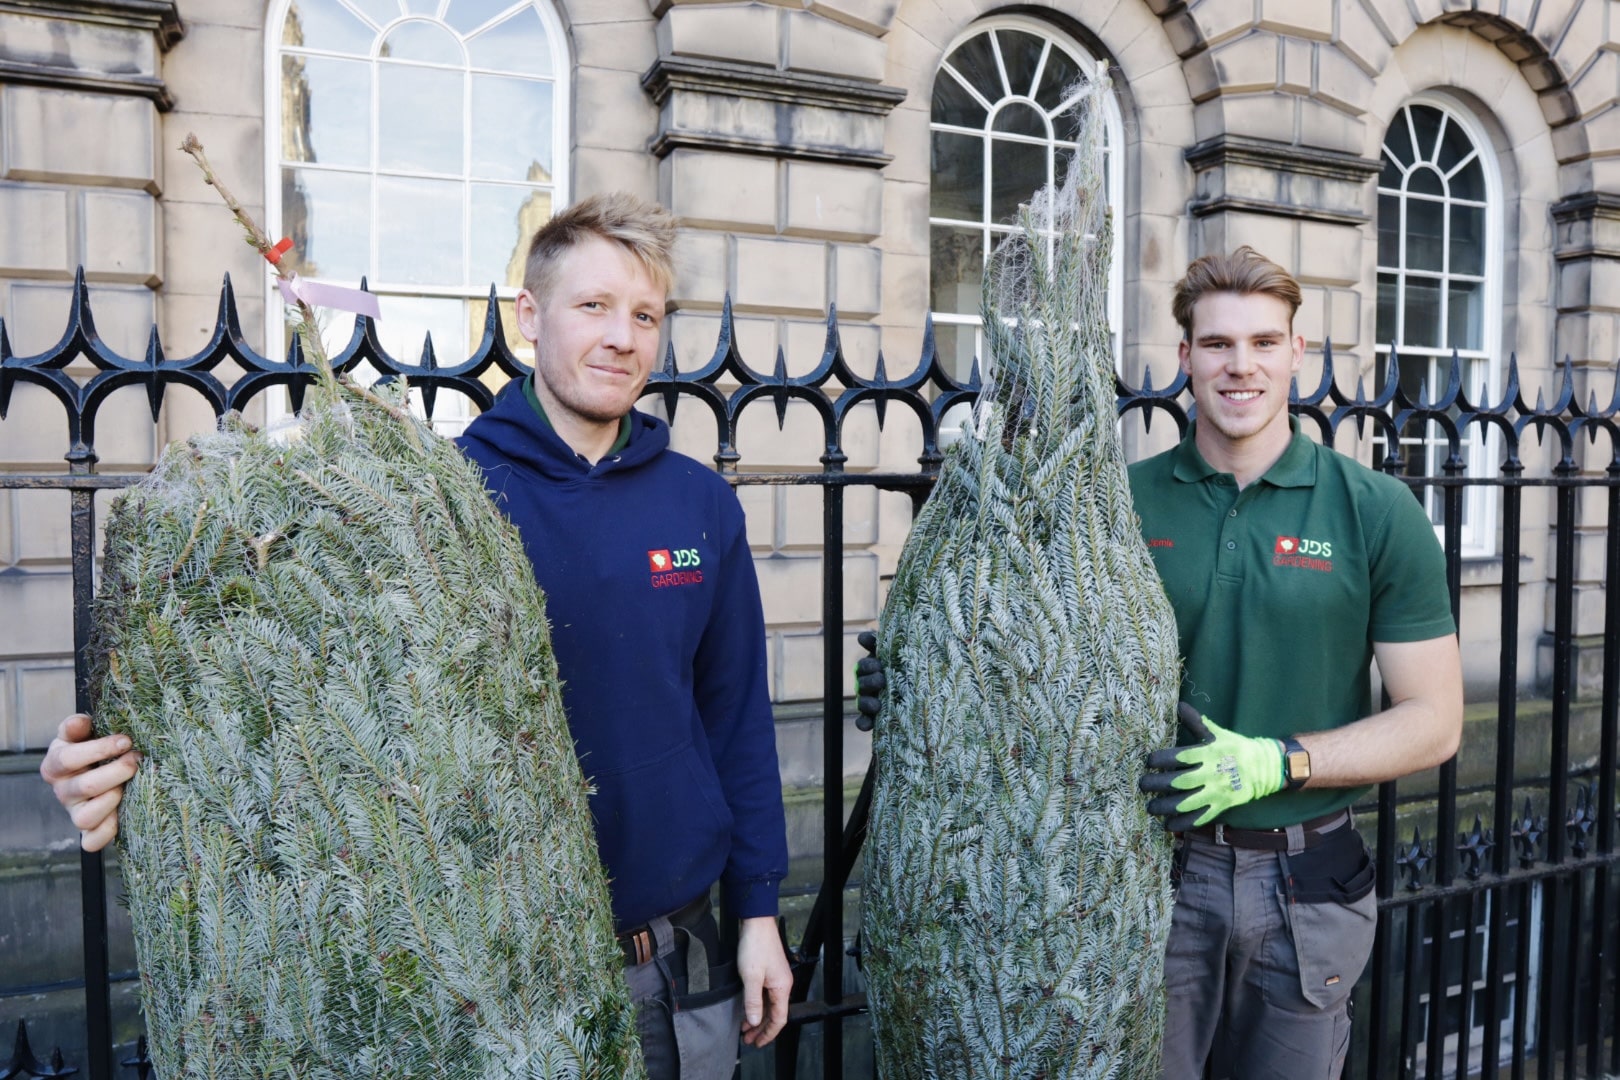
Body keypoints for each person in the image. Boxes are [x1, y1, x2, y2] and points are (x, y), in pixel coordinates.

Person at [40, 191, 793, 1080]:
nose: (623, 337)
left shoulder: (698, 501)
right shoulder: (438, 500)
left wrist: (758, 915)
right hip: (496, 967)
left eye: (645, 315)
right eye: (593, 306)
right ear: (530, 316)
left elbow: (735, 715)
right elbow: (291, 698)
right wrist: (121, 767)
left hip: (676, 961)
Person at [857, 246, 1462, 1078]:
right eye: (1216, 344)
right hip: (1142, 875)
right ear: (1184, 358)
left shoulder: (1374, 511)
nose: (1239, 365)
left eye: (1262, 342)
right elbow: (1019, 662)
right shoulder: (1116, 503)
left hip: (1306, 884)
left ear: (1297, 354)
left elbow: (1435, 722)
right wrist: (923, 676)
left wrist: (1278, 761)